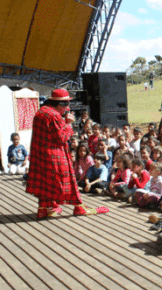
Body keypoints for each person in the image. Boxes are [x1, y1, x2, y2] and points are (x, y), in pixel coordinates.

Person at [26, 89, 108, 219]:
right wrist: (69, 125)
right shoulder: (54, 116)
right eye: (66, 104)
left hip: (40, 155)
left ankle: (43, 208)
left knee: (45, 182)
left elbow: (50, 133)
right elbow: (61, 138)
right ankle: (78, 206)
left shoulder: (41, 112)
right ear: (59, 104)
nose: (68, 108)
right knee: (67, 180)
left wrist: (63, 122)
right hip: (54, 155)